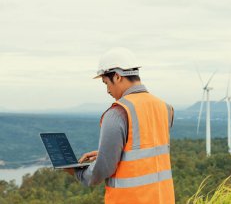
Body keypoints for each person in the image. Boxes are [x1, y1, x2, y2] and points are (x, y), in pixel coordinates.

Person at [64, 47, 175, 204]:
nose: (107, 90)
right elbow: (148, 151)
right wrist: (112, 152)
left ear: (117, 76)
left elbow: (102, 170)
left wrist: (77, 172)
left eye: (106, 83)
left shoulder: (117, 113)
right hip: (164, 199)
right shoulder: (165, 108)